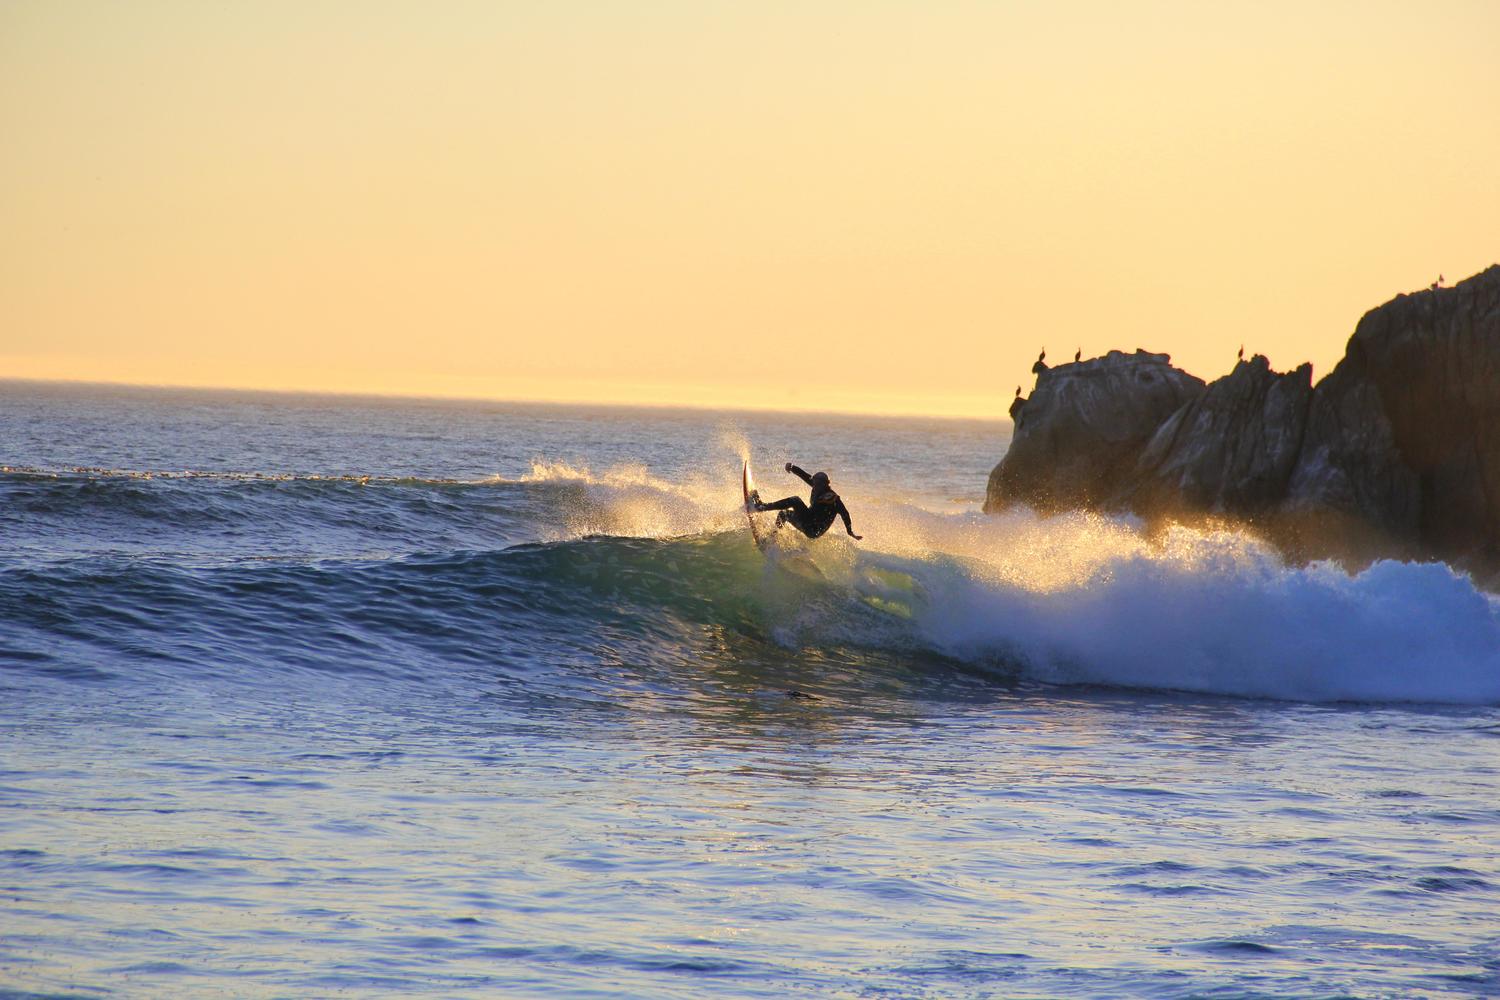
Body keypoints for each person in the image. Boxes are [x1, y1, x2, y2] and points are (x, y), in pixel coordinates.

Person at [748, 463, 862, 540]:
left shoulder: (833, 498)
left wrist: (849, 531)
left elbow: (845, 514)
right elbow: (805, 476)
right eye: (814, 483)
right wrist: (792, 467)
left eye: (816, 484)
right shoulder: (817, 486)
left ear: (825, 484)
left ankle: (761, 507)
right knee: (784, 514)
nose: (814, 486)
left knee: (795, 500)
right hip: (808, 523)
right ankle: (773, 537)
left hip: (814, 528)